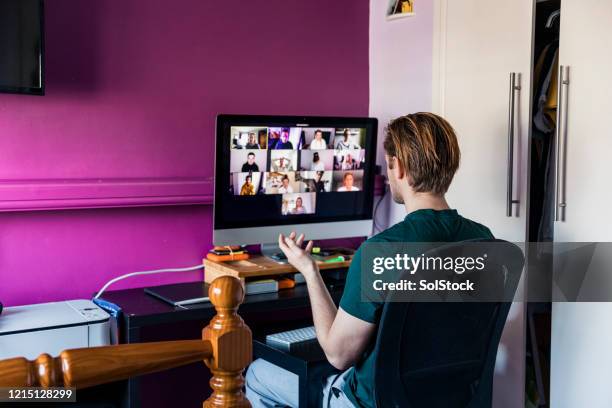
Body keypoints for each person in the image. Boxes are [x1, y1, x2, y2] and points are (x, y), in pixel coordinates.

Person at [245, 112, 494, 408]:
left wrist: (310, 272)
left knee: (258, 374)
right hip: (449, 399)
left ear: (397, 167)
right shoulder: (486, 242)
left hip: (374, 402)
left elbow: (338, 355)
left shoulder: (381, 251)